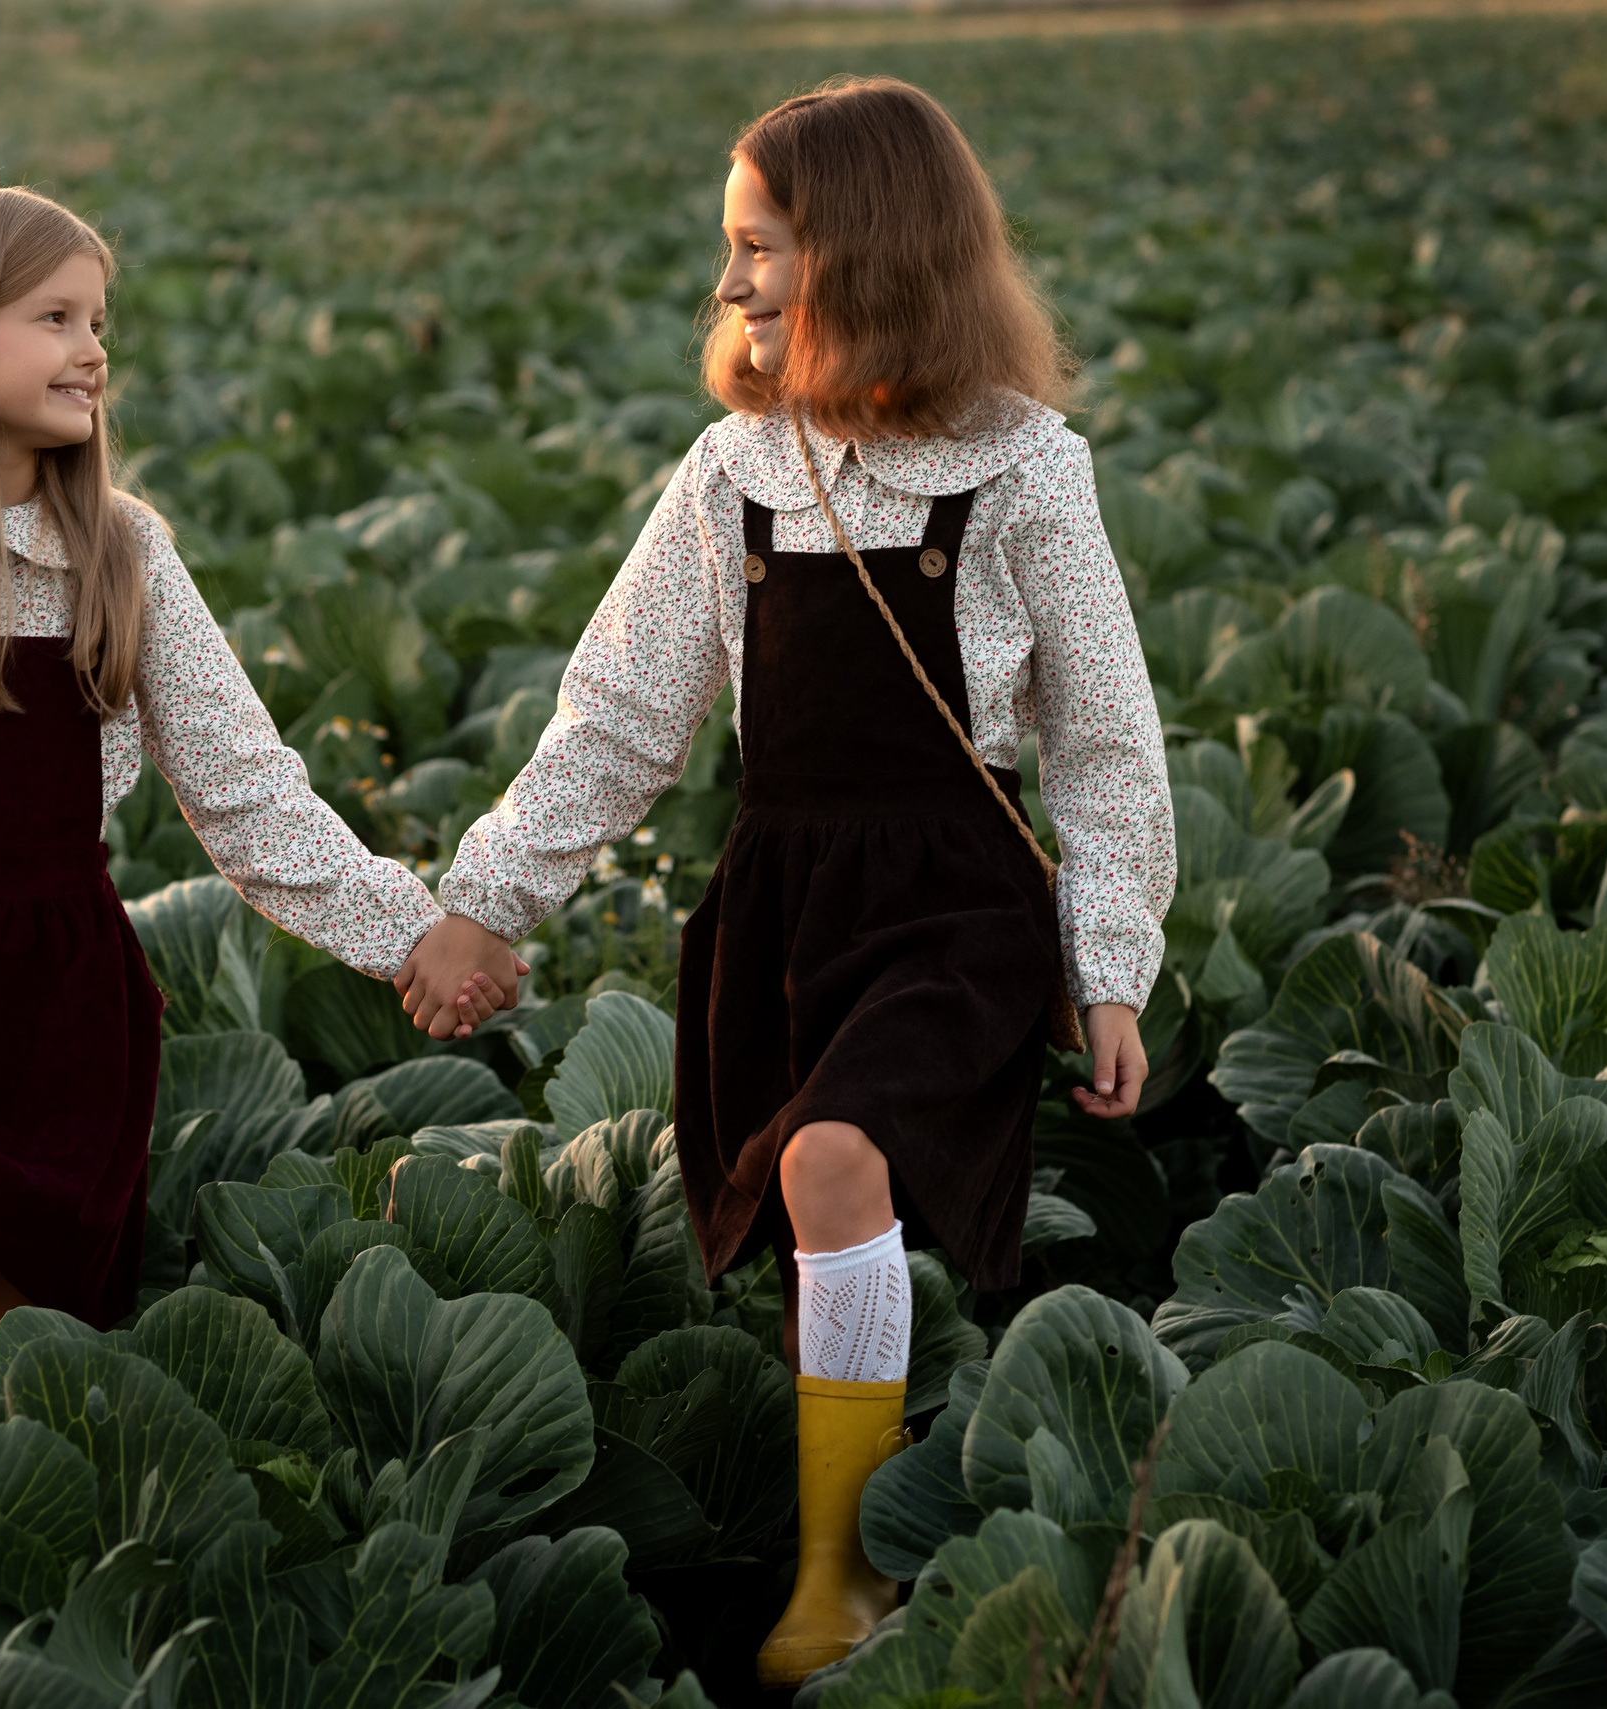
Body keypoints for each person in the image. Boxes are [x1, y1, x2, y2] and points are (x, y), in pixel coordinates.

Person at [398, 79, 1175, 1686]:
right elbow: (620, 715)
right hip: (786, 908)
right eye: (731, 246)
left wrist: (1110, 967)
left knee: (833, 1155)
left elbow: (1105, 743)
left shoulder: (1028, 469)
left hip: (955, 910)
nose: (731, 281)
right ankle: (862, 1478)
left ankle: (842, 1573)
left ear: (873, 249)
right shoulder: (733, 472)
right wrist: (485, 900)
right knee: (822, 1200)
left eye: (760, 246)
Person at [0, 185, 451, 1405]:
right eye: (54, 318)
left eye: (98, 321)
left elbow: (246, 793)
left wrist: (410, 934)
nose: (93, 349)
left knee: (20, 1365)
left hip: (60, 1001)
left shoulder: (123, 554)